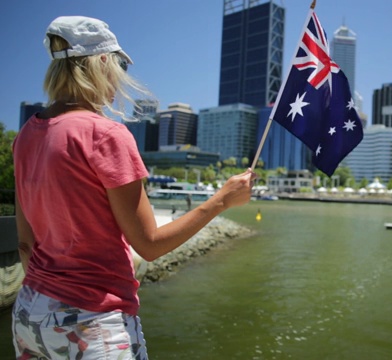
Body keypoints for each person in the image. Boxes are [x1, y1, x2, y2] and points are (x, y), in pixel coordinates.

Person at [11, 16, 256, 359]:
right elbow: (150, 244)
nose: (121, 74)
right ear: (100, 63)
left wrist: (49, 299)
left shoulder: (26, 135)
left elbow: (25, 244)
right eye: (119, 63)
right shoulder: (106, 134)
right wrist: (220, 201)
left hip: (29, 313)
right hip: (90, 322)